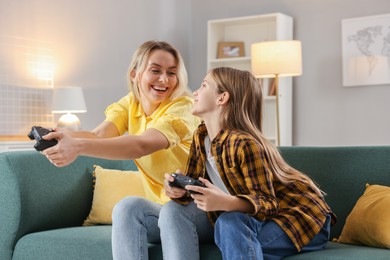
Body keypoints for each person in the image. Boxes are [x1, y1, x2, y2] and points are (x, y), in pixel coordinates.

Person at [42, 41, 200, 258]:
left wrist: (77, 146)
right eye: (155, 70)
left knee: (174, 212)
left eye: (171, 73)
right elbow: (98, 135)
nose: (164, 79)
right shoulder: (131, 104)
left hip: (198, 211)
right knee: (127, 207)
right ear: (135, 74)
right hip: (163, 210)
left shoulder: (184, 106)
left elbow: (142, 145)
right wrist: (63, 136)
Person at [161, 67, 337, 260]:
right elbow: (196, 189)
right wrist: (178, 190)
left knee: (228, 224)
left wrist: (225, 202)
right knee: (228, 223)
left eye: (203, 86)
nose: (195, 92)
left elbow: (268, 204)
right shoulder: (201, 137)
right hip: (251, 220)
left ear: (222, 98)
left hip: (302, 219)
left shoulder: (244, 144)